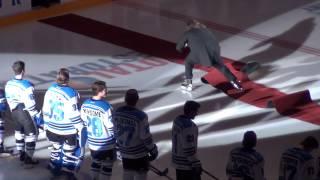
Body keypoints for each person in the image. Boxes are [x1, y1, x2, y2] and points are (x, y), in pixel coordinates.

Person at [176, 19, 243, 91]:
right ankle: (234, 81)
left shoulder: (188, 33)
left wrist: (185, 45)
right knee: (221, 67)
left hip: (201, 54)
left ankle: (188, 83)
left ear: (189, 26)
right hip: (214, 52)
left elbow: (179, 47)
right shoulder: (206, 30)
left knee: (188, 62)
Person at [42, 68, 84, 179]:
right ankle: (67, 173)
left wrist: (46, 124)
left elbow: (45, 109)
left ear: (57, 78)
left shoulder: (50, 90)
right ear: (68, 79)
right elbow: (74, 114)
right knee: (69, 151)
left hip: (52, 127)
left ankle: (54, 168)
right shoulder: (72, 93)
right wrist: (80, 128)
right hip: (67, 130)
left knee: (56, 147)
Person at [113, 89, 158, 180]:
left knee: (127, 173)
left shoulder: (117, 113)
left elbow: (114, 131)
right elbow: (145, 136)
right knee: (140, 174)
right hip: (139, 154)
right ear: (137, 99)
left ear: (125, 99)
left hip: (124, 152)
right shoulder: (141, 116)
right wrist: (153, 149)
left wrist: (117, 147)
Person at [4, 60, 41, 168]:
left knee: (18, 132)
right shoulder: (27, 85)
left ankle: (21, 155)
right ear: (24, 71)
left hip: (13, 112)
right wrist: (37, 116)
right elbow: (31, 105)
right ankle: (28, 159)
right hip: (24, 112)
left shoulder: (8, 84)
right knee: (31, 135)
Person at [80, 81, 116, 180]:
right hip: (106, 143)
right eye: (105, 89)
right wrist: (116, 139)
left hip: (92, 142)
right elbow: (110, 126)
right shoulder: (105, 107)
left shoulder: (85, 104)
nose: (107, 90)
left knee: (96, 163)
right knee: (107, 166)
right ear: (100, 91)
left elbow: (83, 121)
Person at [172, 100, 202, 180]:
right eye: (196, 111)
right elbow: (188, 147)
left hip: (177, 162)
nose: (197, 113)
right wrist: (196, 163)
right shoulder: (188, 127)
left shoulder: (177, 120)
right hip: (186, 165)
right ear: (191, 111)